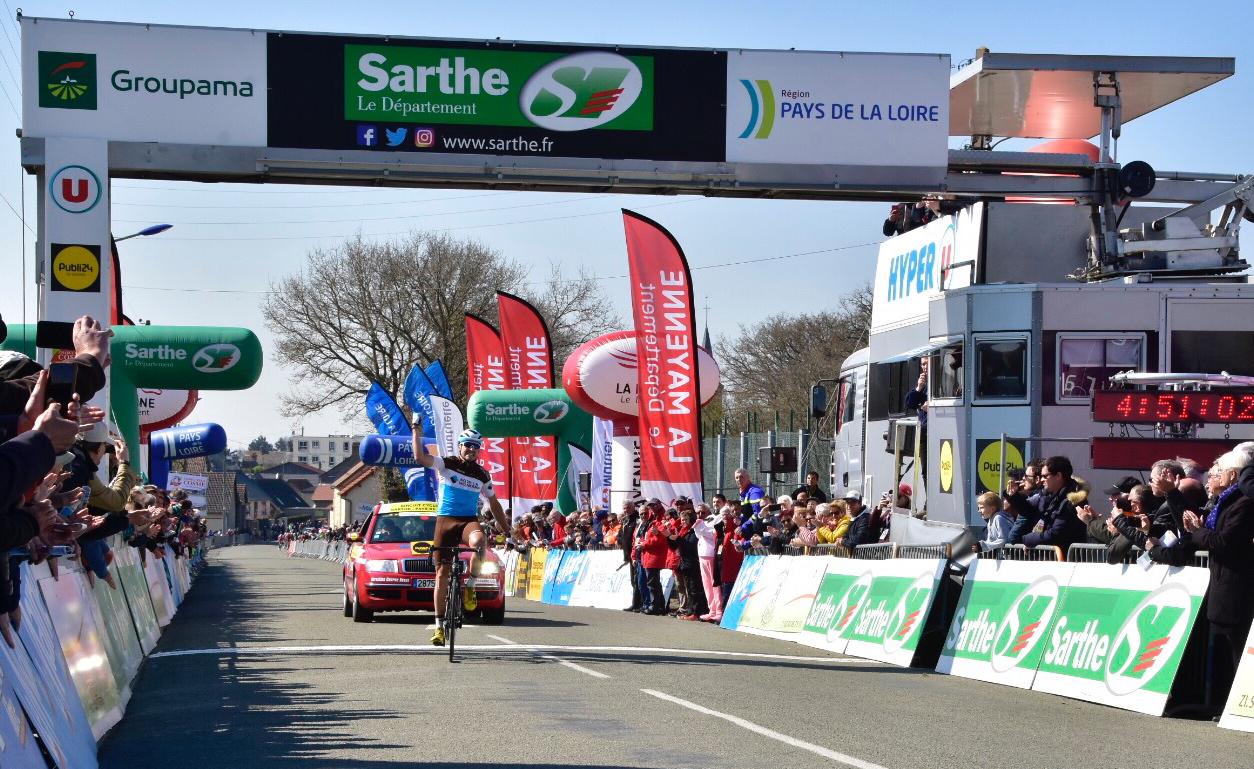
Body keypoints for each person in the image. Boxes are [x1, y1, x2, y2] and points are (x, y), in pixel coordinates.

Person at [411, 425, 509, 646]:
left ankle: (471, 586)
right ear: (460, 447)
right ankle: (438, 628)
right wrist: (416, 432)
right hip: (445, 521)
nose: (471, 450)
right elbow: (419, 457)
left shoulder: (482, 474)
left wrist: (506, 529)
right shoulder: (447, 463)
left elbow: (493, 503)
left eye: (475, 447)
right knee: (442, 574)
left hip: (467, 520)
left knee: (480, 542)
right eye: (467, 446)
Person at [1181, 449, 1254, 703]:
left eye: (1219, 471)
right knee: (1223, 647)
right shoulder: (1224, 502)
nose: (1214, 475)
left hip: (1236, 586)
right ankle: (1222, 701)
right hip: (1222, 582)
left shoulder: (1243, 503)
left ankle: (1237, 703)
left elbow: (1223, 542)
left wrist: (1198, 531)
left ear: (1233, 475)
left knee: (1237, 646)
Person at [1006, 456, 1087, 552]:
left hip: (1065, 561)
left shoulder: (1072, 501)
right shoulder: (1047, 496)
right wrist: (1014, 495)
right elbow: (1028, 509)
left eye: (1045, 476)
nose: (1041, 479)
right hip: (1048, 558)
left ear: (1058, 475)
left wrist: (1027, 539)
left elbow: (1056, 533)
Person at [693, 504, 722, 622]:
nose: (700, 515)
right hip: (702, 555)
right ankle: (712, 610)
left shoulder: (716, 518)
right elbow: (698, 535)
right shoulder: (702, 521)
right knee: (707, 585)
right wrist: (698, 527)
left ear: (708, 511)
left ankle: (719, 610)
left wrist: (700, 527)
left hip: (711, 554)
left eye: (703, 512)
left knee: (715, 584)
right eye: (698, 513)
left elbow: (713, 534)